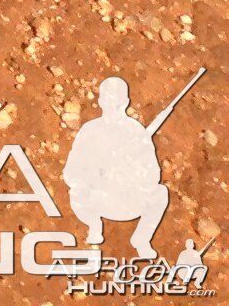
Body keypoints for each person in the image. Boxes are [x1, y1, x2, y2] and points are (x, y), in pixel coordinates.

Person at [65, 77, 171, 256]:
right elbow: (70, 174)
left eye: (117, 100)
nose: (113, 105)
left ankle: (142, 239)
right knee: (76, 193)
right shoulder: (90, 131)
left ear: (126, 102)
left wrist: (132, 169)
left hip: (129, 201)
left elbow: (153, 176)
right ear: (100, 102)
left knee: (160, 193)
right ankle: (94, 225)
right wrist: (96, 174)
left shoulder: (137, 133)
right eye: (108, 100)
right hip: (99, 200)